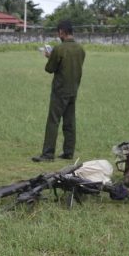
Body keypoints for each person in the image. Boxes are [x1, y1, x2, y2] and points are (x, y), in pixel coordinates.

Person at [32, 20, 85, 162]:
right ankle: (68, 152)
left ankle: (48, 154)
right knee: (70, 122)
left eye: (58, 33)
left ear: (62, 31)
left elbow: (50, 69)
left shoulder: (59, 49)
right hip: (73, 89)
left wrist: (50, 56)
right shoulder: (80, 49)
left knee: (53, 121)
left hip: (60, 90)